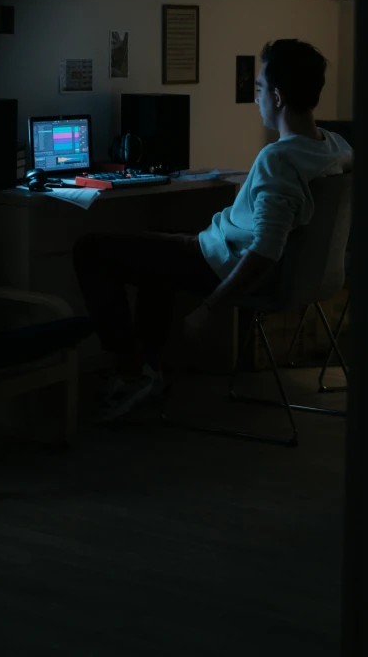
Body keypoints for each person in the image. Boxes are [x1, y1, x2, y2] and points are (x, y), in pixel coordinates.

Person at [73, 39, 353, 422]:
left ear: (277, 95)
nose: (256, 99)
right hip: (257, 261)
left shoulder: (279, 159)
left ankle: (131, 371)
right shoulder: (336, 148)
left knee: (90, 250)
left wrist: (209, 308)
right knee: (159, 246)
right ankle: (148, 368)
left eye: (257, 89)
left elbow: (264, 251)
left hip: (221, 264)